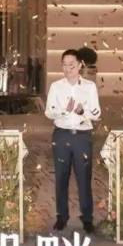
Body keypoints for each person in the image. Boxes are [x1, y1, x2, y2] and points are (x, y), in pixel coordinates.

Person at [45, 49, 101, 233]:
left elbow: (97, 113)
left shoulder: (89, 87)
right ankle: (62, 216)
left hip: (82, 136)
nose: (68, 69)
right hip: (62, 134)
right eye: (64, 65)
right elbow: (48, 112)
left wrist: (82, 112)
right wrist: (63, 111)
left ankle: (87, 218)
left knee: (84, 177)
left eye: (71, 65)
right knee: (61, 176)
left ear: (79, 65)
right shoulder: (56, 86)